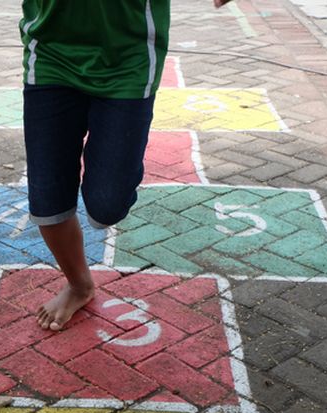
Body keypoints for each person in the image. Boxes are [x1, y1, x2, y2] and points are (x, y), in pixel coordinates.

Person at [20, 0, 231, 331]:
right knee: (46, 202)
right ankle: (79, 285)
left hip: (127, 59)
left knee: (107, 205)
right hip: (50, 55)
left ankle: (113, 153)